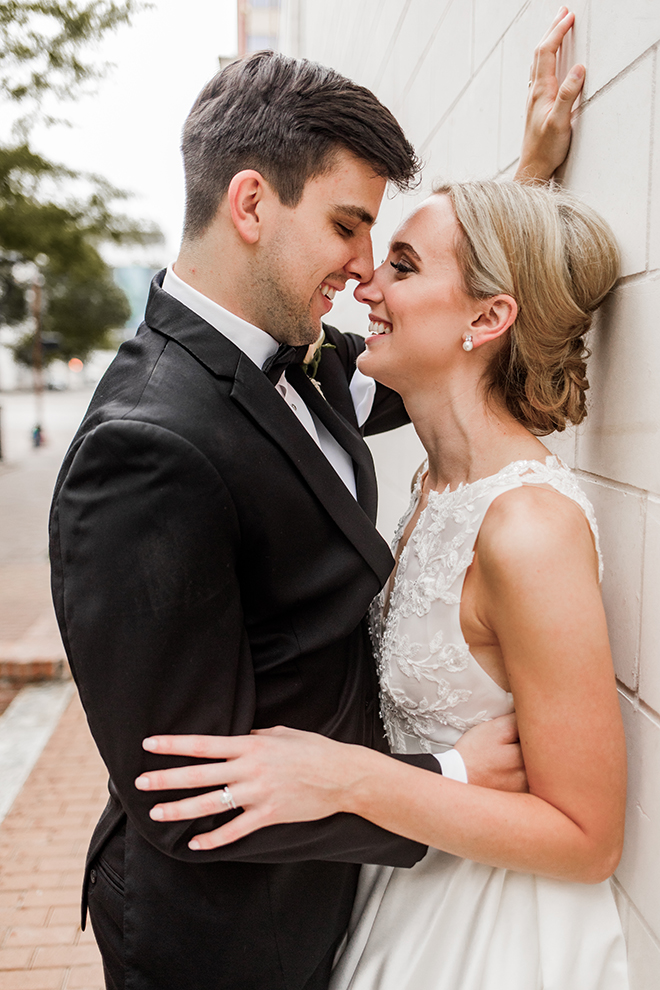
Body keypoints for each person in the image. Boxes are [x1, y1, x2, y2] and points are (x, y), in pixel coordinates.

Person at [49, 12, 586, 990]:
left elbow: (441, 337)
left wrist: (528, 185)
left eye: (380, 236)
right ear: (251, 204)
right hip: (227, 944)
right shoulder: (146, 448)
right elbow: (185, 799)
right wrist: (448, 779)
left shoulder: (301, 360)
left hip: (343, 903)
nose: (365, 266)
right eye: (348, 224)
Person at [139, 180, 628, 989]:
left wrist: (346, 775)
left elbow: (589, 837)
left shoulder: (529, 529)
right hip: (402, 890)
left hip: (494, 934)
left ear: (486, 320)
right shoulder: (438, 487)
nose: (366, 283)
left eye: (401, 264)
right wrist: (536, 166)